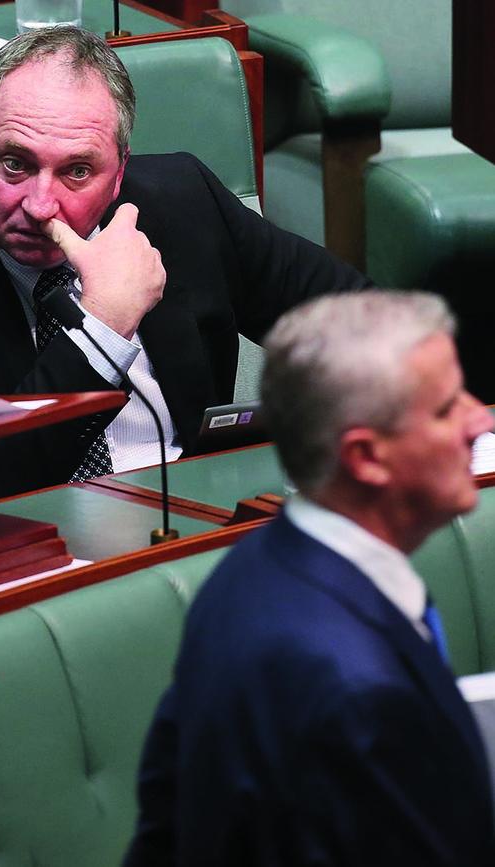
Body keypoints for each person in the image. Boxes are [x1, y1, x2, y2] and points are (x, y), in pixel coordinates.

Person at [0, 26, 370, 514]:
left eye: (77, 170)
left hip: (195, 515)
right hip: (23, 560)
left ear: (119, 172)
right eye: (14, 164)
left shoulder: (183, 201)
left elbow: (362, 322)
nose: (40, 204)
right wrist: (102, 325)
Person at [124, 290, 495, 867]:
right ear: (367, 457)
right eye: (447, 408)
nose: (480, 418)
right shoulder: (359, 692)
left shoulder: (252, 570)